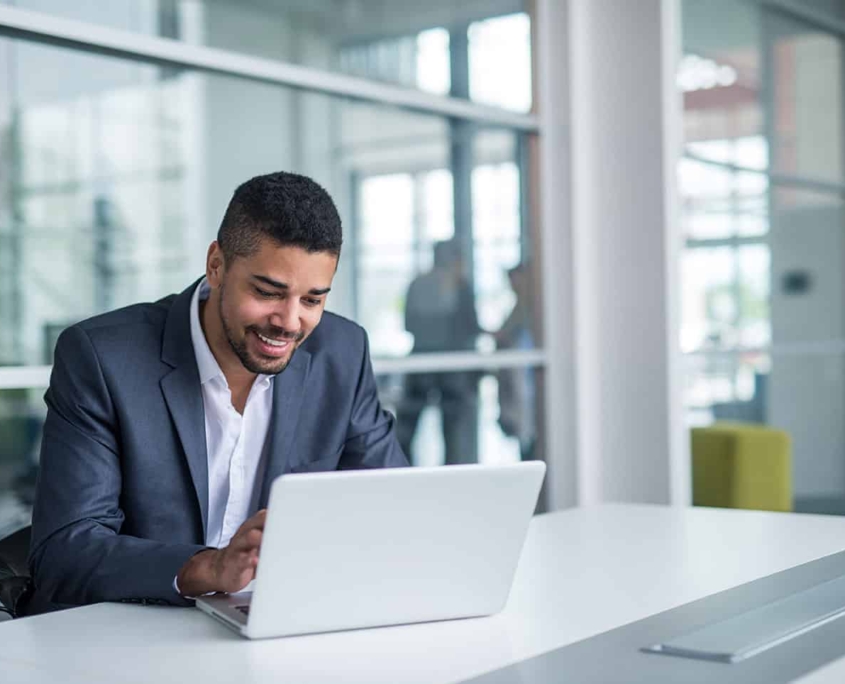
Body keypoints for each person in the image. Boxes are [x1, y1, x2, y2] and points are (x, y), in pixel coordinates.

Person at [26, 171, 408, 614]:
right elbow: (64, 551)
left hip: (272, 627)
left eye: (312, 300)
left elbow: (391, 506)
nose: (288, 321)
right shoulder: (103, 358)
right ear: (216, 265)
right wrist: (208, 569)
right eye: (268, 292)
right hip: (125, 631)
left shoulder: (341, 352)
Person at [397, 240, 482, 465]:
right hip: (451, 368)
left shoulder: (417, 284)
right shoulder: (460, 286)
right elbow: (470, 326)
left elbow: (408, 325)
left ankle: (403, 475)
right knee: (454, 431)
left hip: (419, 362)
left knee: (407, 428)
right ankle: (453, 481)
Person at [494, 263, 536, 461]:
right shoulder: (519, 306)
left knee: (527, 427)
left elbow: (511, 336)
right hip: (517, 379)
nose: (513, 285)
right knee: (523, 431)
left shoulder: (533, 307)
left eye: (516, 280)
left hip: (525, 378)